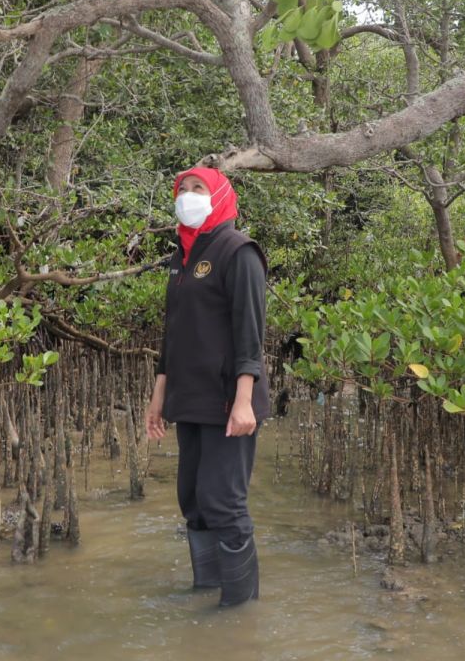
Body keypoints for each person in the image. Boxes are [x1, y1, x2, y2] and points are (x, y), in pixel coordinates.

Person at [145, 166, 269, 607]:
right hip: (189, 398)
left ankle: (239, 609)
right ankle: (208, 590)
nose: (189, 195)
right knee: (194, 500)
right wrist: (159, 394)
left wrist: (243, 401)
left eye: (199, 188)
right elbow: (173, 332)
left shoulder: (239, 251)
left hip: (227, 400)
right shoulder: (180, 257)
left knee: (223, 502)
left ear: (219, 196)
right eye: (183, 189)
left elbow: (250, 333)